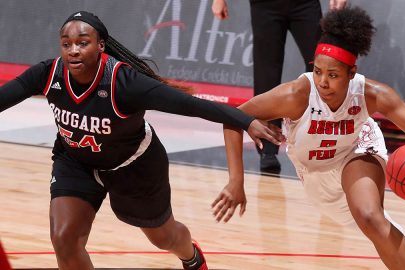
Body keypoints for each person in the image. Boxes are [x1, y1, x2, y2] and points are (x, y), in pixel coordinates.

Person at [0, 11, 284, 270]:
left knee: (164, 237)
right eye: (66, 43)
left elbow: (192, 105)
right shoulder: (48, 74)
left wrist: (246, 121)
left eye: (82, 43)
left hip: (134, 166)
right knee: (64, 239)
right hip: (76, 161)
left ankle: (192, 257)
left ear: (100, 46)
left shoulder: (124, 82)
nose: (73, 50)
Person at [212, 6, 405, 270]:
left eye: (333, 75)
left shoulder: (372, 94)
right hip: (314, 174)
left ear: (352, 73)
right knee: (373, 227)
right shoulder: (296, 94)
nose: (323, 82)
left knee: (370, 217)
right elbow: (231, 117)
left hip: (357, 150)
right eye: (318, 71)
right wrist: (236, 180)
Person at [212, 0, 347, 172]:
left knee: (321, 64)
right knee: (266, 73)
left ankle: (322, 139)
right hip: (265, 6)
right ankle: (268, 148)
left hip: (305, 4)